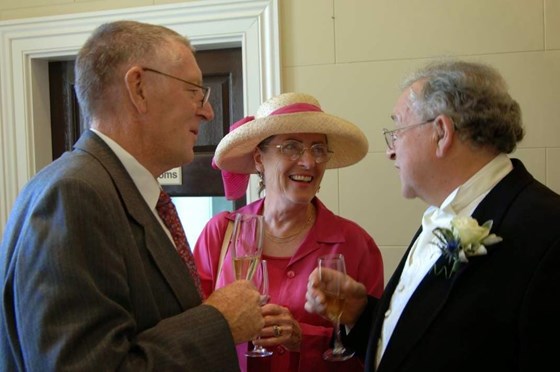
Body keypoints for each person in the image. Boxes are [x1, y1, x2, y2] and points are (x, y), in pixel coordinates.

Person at [0, 20, 264, 372]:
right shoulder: (74, 194)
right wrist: (219, 321)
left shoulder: (121, 192)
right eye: (195, 92)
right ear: (138, 88)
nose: (207, 111)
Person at [304, 59, 560, 371]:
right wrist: (361, 315)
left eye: (397, 129)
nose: (390, 150)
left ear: (441, 132)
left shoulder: (548, 232)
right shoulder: (442, 214)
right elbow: (430, 343)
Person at [194, 92, 385, 372]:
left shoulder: (355, 244)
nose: (309, 162)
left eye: (318, 149)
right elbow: (192, 330)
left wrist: (302, 338)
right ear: (259, 159)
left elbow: (373, 349)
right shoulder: (221, 233)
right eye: (292, 147)